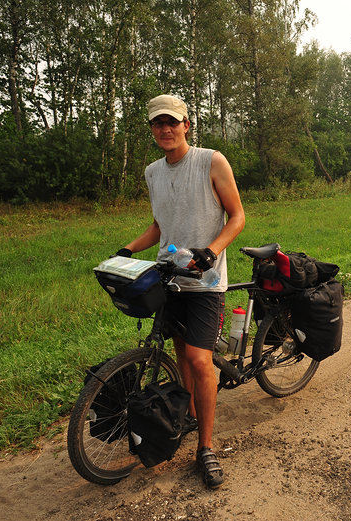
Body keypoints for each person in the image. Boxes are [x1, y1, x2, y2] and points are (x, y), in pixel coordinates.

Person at [116, 94, 245, 489]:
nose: (166, 129)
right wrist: (128, 249)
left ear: (187, 124)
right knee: (180, 354)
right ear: (152, 129)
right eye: (158, 123)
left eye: (173, 122)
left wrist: (213, 250)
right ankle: (187, 417)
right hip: (169, 276)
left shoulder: (211, 161)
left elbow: (238, 216)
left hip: (204, 282)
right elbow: (160, 226)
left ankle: (205, 447)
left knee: (200, 361)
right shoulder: (152, 172)